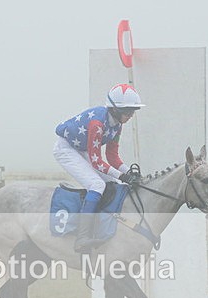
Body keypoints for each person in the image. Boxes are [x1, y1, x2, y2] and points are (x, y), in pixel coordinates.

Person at [53, 83, 145, 253]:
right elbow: (96, 161)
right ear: (115, 109)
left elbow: (112, 157)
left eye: (133, 111)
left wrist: (128, 173)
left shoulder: (117, 124)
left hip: (82, 149)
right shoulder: (97, 123)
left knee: (114, 183)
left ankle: (102, 225)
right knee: (97, 185)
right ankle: (82, 236)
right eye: (128, 111)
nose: (131, 115)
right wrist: (121, 175)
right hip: (66, 149)